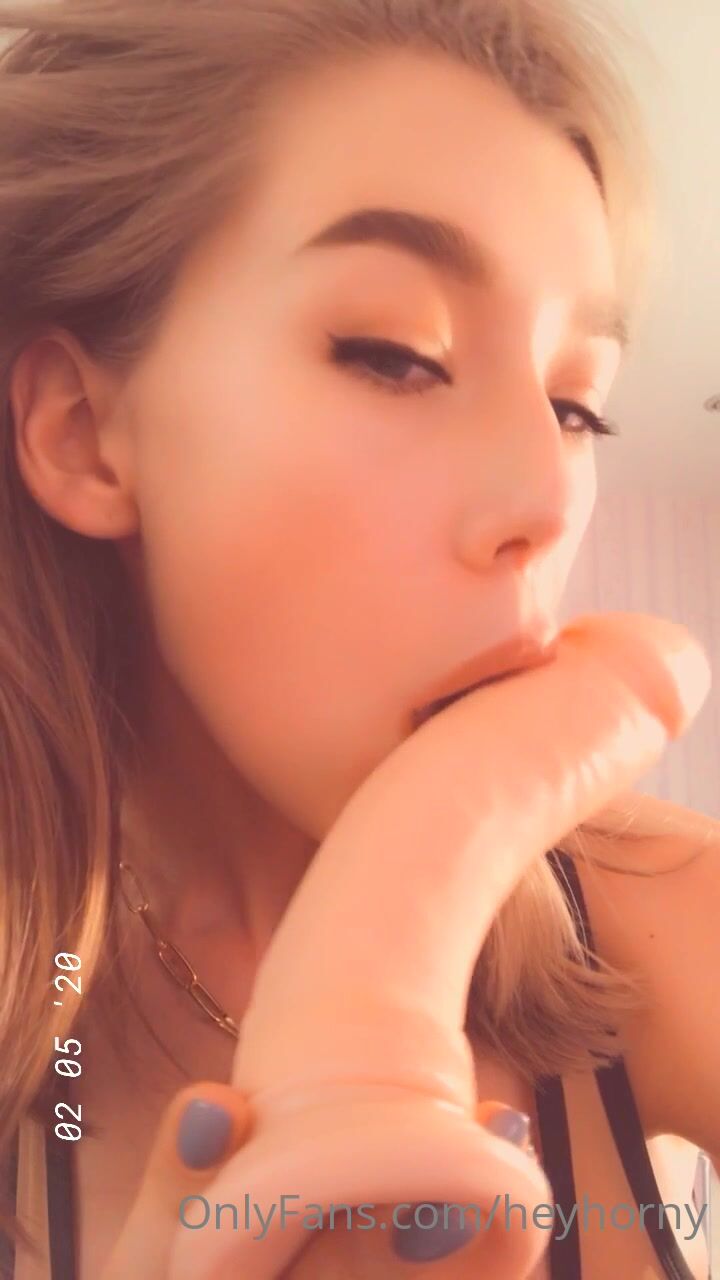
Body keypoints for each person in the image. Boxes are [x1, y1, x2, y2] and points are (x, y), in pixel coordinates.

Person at [0, 1, 717, 1277]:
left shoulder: (674, 918)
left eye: (575, 406)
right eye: (397, 355)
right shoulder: (36, 1026)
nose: (546, 501)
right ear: (82, 433)